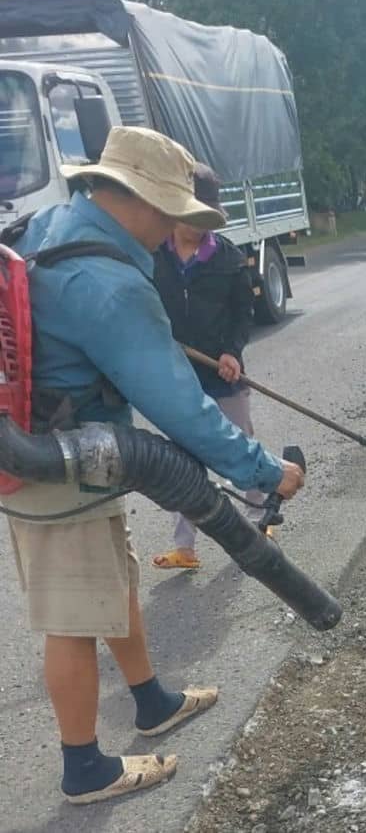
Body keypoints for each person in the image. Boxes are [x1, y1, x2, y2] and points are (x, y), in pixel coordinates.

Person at [4, 126, 305, 803]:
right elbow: (184, 411)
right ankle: (86, 769)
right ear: (136, 198)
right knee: (74, 618)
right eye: (171, 210)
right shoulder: (107, 282)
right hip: (56, 470)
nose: (175, 226)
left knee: (117, 579)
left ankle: (151, 701)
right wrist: (264, 472)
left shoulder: (52, 225)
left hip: (64, 453)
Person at [151, 163, 262, 570]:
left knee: (240, 444)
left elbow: (243, 314)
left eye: (207, 217)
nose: (200, 224)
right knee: (183, 460)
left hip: (222, 371)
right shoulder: (152, 254)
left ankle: (258, 523)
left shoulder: (230, 259)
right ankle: (186, 546)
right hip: (176, 376)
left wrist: (232, 352)